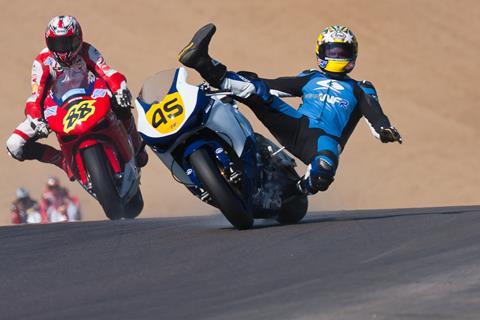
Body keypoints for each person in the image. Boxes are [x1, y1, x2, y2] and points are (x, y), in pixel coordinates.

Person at [178, 24, 402, 195]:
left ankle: (293, 191)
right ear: (320, 53)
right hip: (296, 124)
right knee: (255, 89)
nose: (337, 56)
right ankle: (202, 62)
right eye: (332, 51)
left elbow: (376, 115)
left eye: (342, 52)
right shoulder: (309, 77)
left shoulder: (361, 88)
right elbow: (273, 86)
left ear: (353, 55)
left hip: (324, 141)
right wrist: (250, 81)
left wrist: (384, 130)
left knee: (323, 171)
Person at [6, 15, 148, 179]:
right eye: (57, 43)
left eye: (67, 42)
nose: (63, 49)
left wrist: (119, 88)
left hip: (92, 97)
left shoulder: (87, 50)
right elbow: (36, 96)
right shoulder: (42, 62)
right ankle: (63, 162)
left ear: (78, 38)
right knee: (14, 145)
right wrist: (36, 118)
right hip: (57, 109)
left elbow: (107, 72)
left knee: (121, 103)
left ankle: (137, 148)